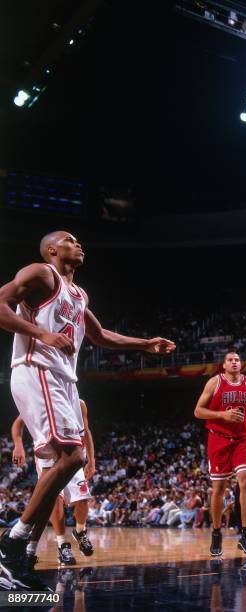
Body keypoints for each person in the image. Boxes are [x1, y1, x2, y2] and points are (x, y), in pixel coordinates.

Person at [0, 231, 175, 590]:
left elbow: (98, 335)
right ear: (51, 249)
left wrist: (146, 344)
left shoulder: (78, 294)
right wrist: (41, 333)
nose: (79, 244)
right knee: (74, 457)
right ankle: (12, 543)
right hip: (38, 368)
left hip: (63, 379)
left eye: (80, 241)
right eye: (70, 240)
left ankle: (20, 558)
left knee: (61, 467)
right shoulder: (40, 273)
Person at [194, 351, 246, 556]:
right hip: (218, 438)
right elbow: (198, 411)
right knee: (218, 488)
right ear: (224, 365)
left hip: (243, 440)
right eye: (230, 360)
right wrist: (223, 415)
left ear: (241, 364)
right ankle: (216, 533)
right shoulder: (214, 383)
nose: (234, 362)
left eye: (237, 359)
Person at [11, 398, 95, 568]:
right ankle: (62, 544)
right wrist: (18, 444)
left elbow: (86, 431)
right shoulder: (40, 398)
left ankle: (80, 531)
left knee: (83, 499)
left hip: (73, 452)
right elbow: (18, 424)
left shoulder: (79, 403)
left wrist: (91, 460)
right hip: (48, 456)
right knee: (54, 500)